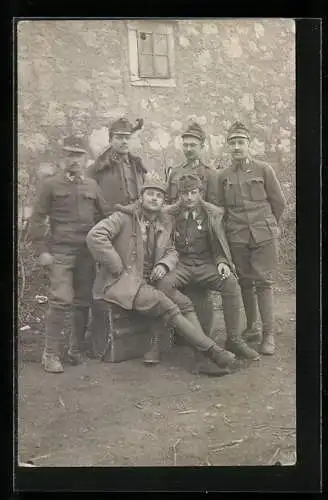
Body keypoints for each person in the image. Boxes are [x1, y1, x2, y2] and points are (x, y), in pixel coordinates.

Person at [86, 174, 237, 375]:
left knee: (184, 303)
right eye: (150, 194)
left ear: (163, 201)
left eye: (159, 196)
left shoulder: (164, 221)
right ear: (141, 197)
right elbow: (95, 235)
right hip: (122, 282)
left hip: (147, 281)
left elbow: (172, 250)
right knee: (165, 303)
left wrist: (164, 265)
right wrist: (116, 265)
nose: (154, 199)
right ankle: (213, 352)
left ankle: (201, 359)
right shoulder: (122, 217)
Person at [27, 136, 110, 373]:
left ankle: (75, 349)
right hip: (61, 252)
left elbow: (106, 216)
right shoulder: (50, 185)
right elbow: (36, 221)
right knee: (61, 299)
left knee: (83, 301)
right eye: (69, 154)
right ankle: (50, 353)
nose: (74, 160)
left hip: (86, 253)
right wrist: (43, 251)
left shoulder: (92, 186)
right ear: (62, 157)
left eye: (78, 155)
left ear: (86, 159)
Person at [161, 174, 261, 365]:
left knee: (231, 283)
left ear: (200, 192)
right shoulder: (168, 214)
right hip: (180, 264)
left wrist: (222, 262)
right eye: (184, 193)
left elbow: (219, 245)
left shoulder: (213, 214)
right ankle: (186, 315)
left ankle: (234, 339)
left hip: (206, 264)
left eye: (193, 192)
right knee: (164, 284)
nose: (189, 197)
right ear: (179, 195)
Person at [217, 121, 286, 355]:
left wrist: (269, 224)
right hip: (237, 235)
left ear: (249, 145)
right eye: (233, 143)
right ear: (229, 147)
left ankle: (269, 335)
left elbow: (279, 202)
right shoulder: (223, 176)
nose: (237, 147)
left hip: (263, 233)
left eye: (241, 142)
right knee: (245, 281)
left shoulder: (264, 169)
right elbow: (221, 209)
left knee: (264, 282)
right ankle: (252, 327)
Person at [165, 122, 219, 342]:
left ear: (202, 146)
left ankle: (204, 334)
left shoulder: (210, 174)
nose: (188, 149)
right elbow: (169, 202)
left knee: (201, 289)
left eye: (193, 145)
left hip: (202, 236)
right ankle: (182, 332)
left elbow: (215, 208)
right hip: (179, 234)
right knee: (181, 284)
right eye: (185, 145)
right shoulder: (175, 172)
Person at [87, 117, 146, 213]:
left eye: (127, 138)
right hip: (109, 221)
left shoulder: (138, 167)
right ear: (110, 140)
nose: (124, 141)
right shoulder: (97, 168)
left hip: (136, 221)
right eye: (119, 138)